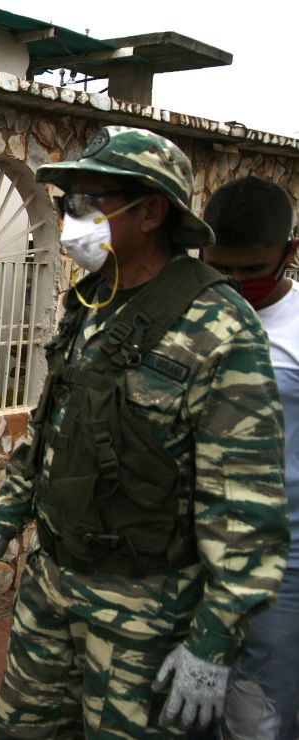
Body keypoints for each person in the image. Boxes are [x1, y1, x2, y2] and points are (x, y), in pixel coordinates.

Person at [0, 126, 289, 738]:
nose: (72, 218)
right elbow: (52, 421)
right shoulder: (90, 301)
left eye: (90, 201)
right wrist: (5, 521)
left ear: (152, 212)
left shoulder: (219, 327)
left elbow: (245, 506)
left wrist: (212, 645)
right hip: (53, 583)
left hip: (147, 609)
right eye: (68, 203)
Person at [201, 176, 298, 740]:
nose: (236, 285)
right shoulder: (189, 317)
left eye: (253, 270)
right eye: (221, 270)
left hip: (282, 569)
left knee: (257, 720)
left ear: (291, 252)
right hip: (191, 558)